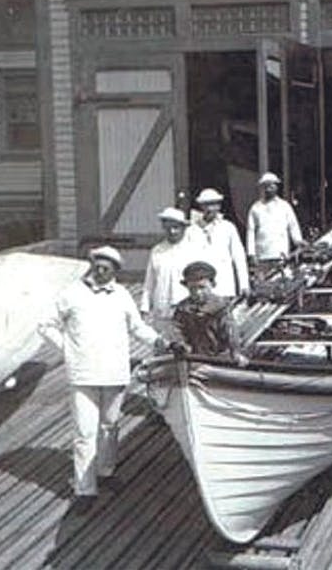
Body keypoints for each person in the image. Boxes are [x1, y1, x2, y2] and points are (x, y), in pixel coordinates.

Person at [38, 246, 167, 513]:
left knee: (110, 426)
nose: (100, 271)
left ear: (115, 271)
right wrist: (67, 349)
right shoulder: (72, 293)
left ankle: (105, 472)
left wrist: (159, 342)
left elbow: (137, 327)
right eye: (97, 265)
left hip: (114, 373)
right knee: (85, 433)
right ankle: (85, 489)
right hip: (82, 375)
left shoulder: (121, 295)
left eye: (106, 267)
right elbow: (45, 324)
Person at [171, 261, 249, 366]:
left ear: (212, 284)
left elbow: (230, 332)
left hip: (220, 359)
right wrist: (180, 344)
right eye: (192, 289)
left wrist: (235, 352)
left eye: (202, 287)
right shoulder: (182, 309)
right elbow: (176, 330)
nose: (197, 293)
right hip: (193, 359)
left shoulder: (221, 307)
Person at [140, 207, 202, 339]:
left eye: (176, 227)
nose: (172, 231)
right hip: (162, 309)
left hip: (186, 310)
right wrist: (144, 308)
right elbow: (149, 283)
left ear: (183, 228)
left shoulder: (193, 250)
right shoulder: (157, 251)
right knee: (163, 345)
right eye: (168, 228)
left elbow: (201, 281)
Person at [185, 188, 250, 298]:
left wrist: (244, 284)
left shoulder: (228, 227)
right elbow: (187, 260)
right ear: (201, 207)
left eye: (213, 204)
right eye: (206, 205)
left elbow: (239, 257)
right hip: (202, 286)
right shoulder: (191, 230)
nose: (210, 208)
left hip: (225, 283)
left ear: (219, 206)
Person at [246, 172, 305, 269]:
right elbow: (251, 231)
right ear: (262, 188)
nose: (268, 189)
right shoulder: (255, 208)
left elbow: (293, 226)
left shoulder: (284, 206)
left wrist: (298, 241)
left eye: (271, 185)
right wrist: (251, 254)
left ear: (276, 187)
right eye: (266, 186)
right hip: (263, 255)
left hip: (281, 254)